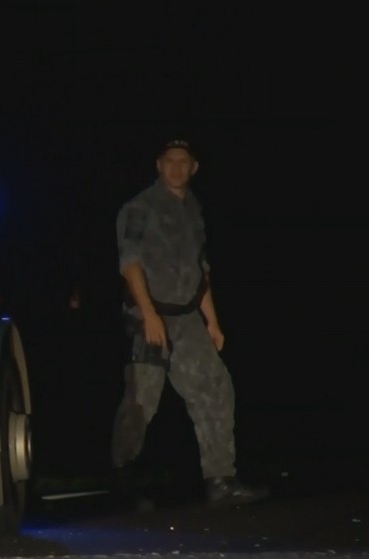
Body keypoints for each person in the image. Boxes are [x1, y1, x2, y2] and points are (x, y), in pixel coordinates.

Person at [110, 138, 268, 507]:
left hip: (187, 318)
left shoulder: (194, 209)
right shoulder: (139, 208)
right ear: (158, 165)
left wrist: (212, 321)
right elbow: (130, 263)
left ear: (194, 167)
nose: (177, 167)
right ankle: (123, 478)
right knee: (141, 399)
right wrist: (148, 315)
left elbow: (202, 271)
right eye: (170, 161)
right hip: (149, 316)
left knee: (216, 386)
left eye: (184, 161)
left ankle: (221, 479)